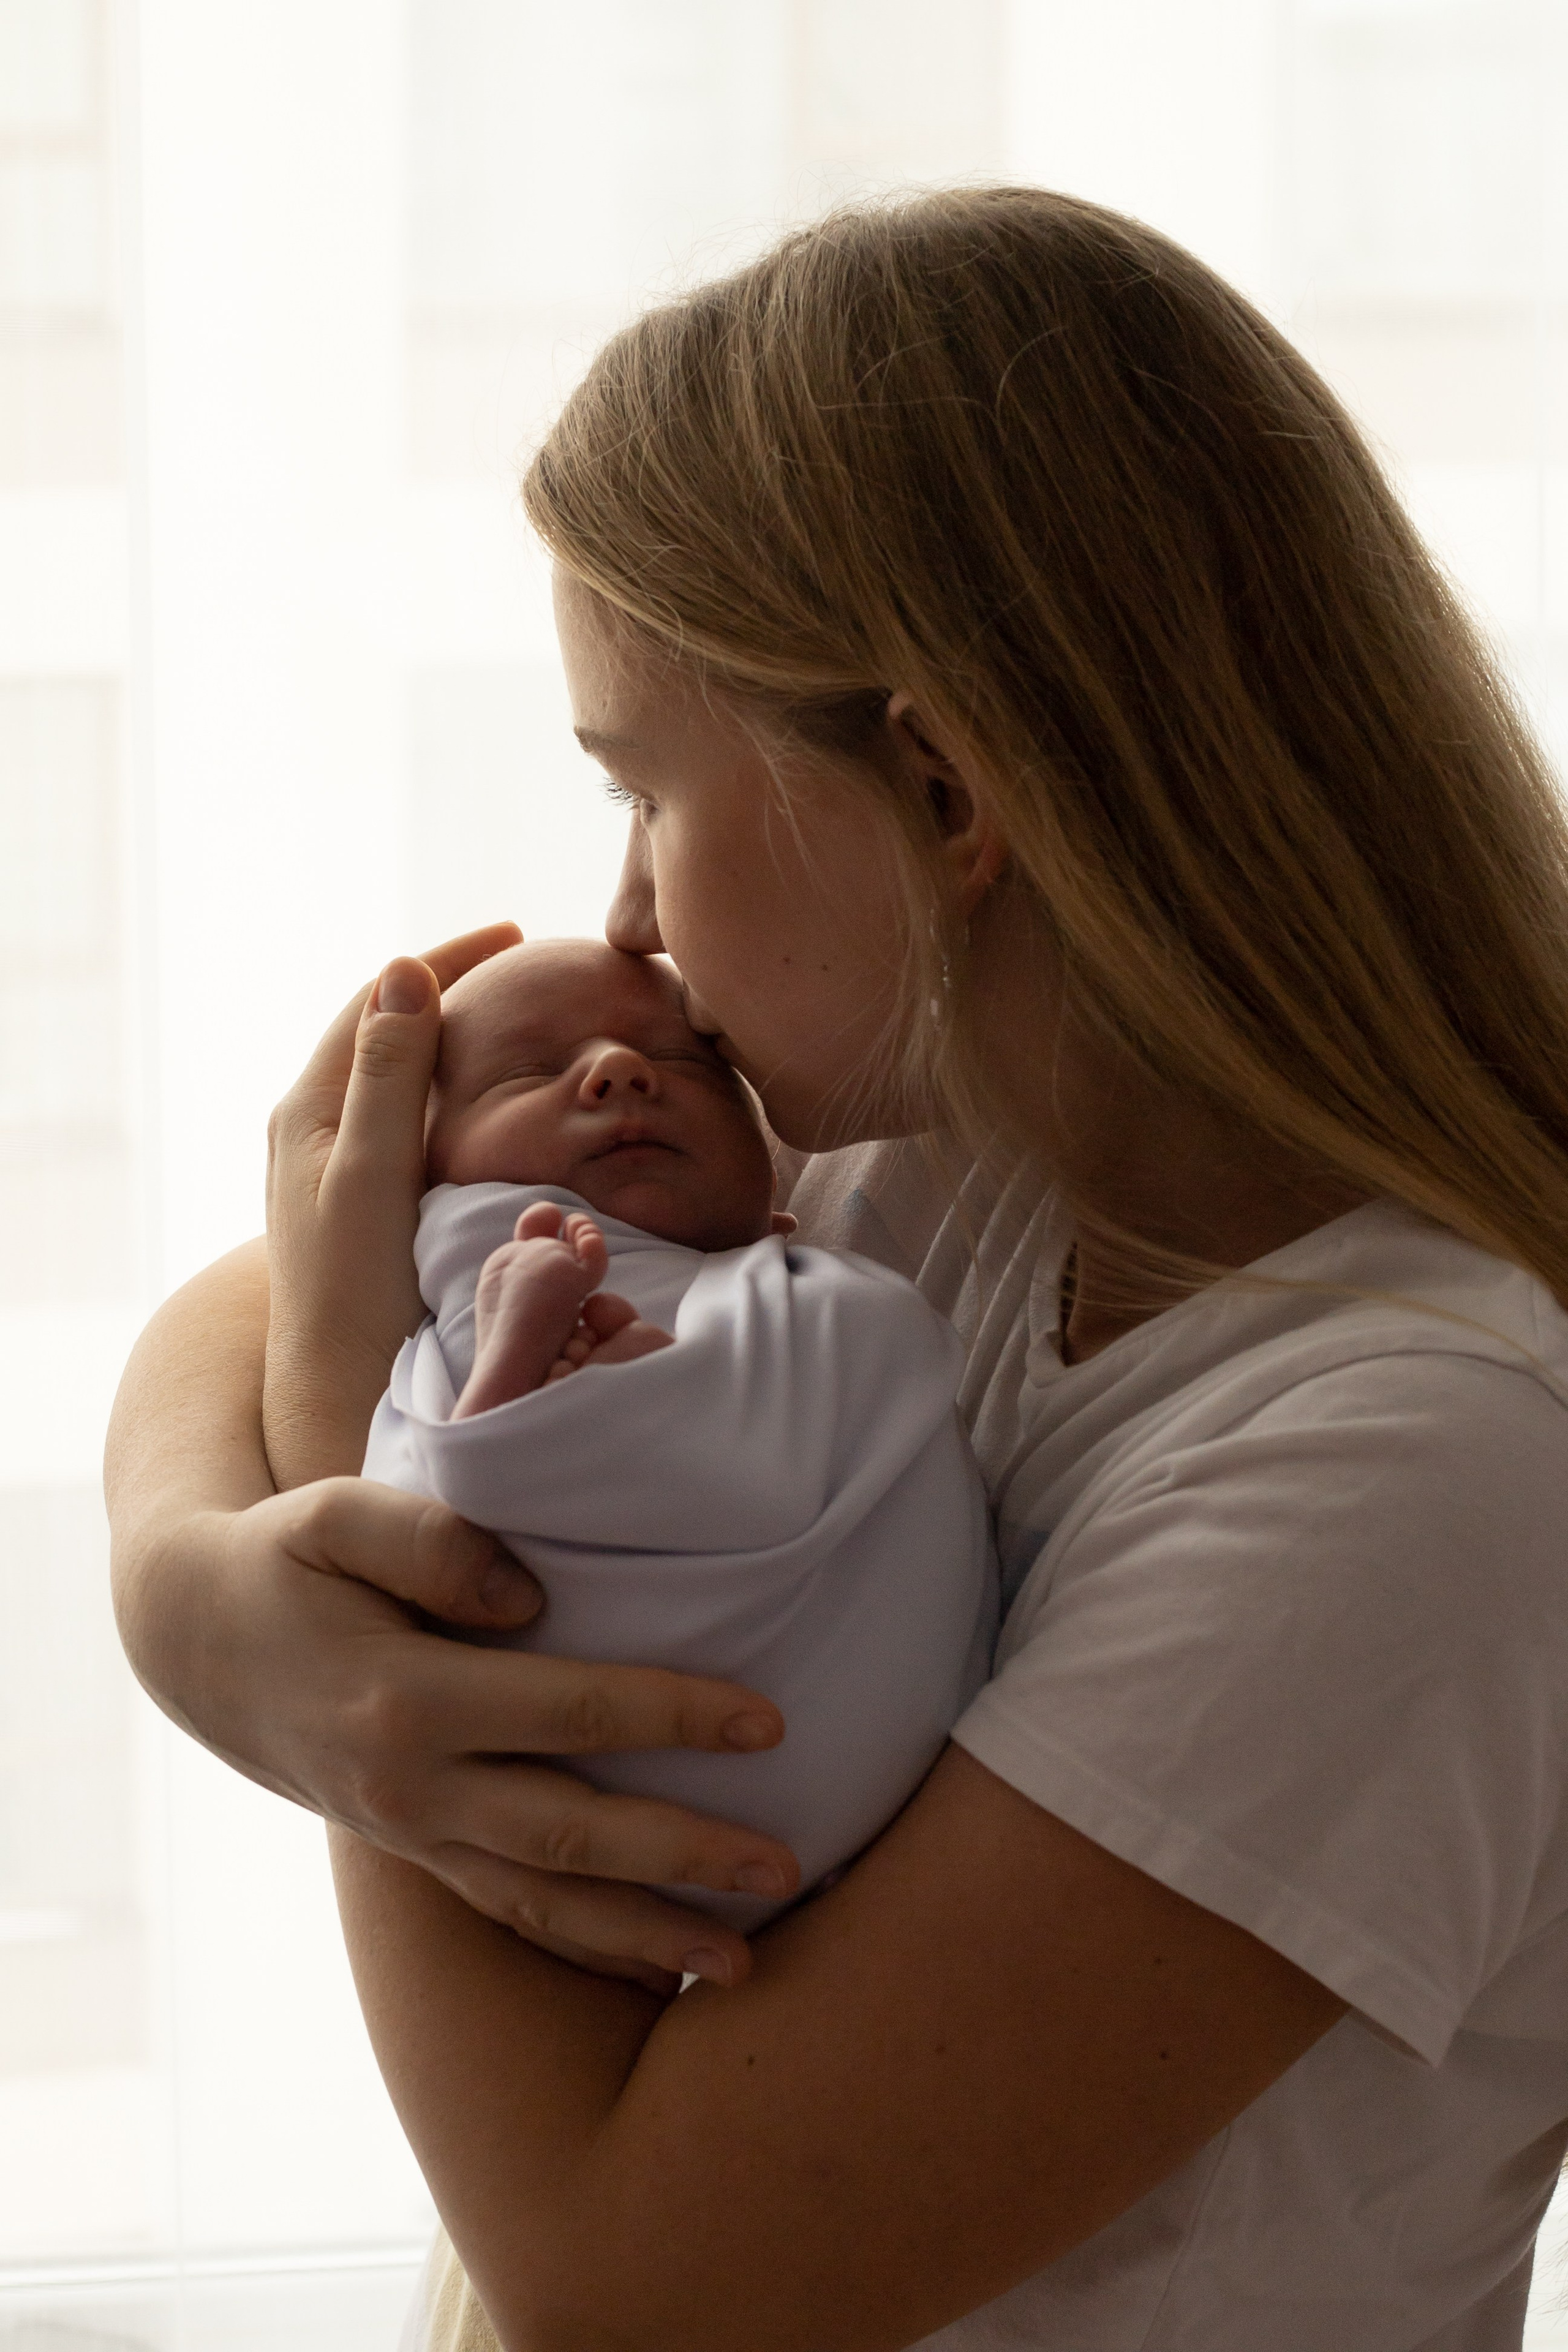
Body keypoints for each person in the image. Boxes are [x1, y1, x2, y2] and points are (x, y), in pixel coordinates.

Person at [105, 185, 1568, 2352]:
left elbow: (635, 2289)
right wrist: (199, 1601)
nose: (622, 918)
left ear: (947, 794)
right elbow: (290, 1265)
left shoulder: (1412, 1470)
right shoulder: (948, 1155)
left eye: (644, 791)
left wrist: (356, 1524)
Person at [361, 935, 995, 1932]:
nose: (619, 1071)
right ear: (425, 1169)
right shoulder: (507, 1232)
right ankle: (520, 1409)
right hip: (677, 1775)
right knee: (843, 1326)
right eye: (530, 1070)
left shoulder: (756, 1231)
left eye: (694, 1065)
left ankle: (547, 1411)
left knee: (838, 1324)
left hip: (817, 1807)